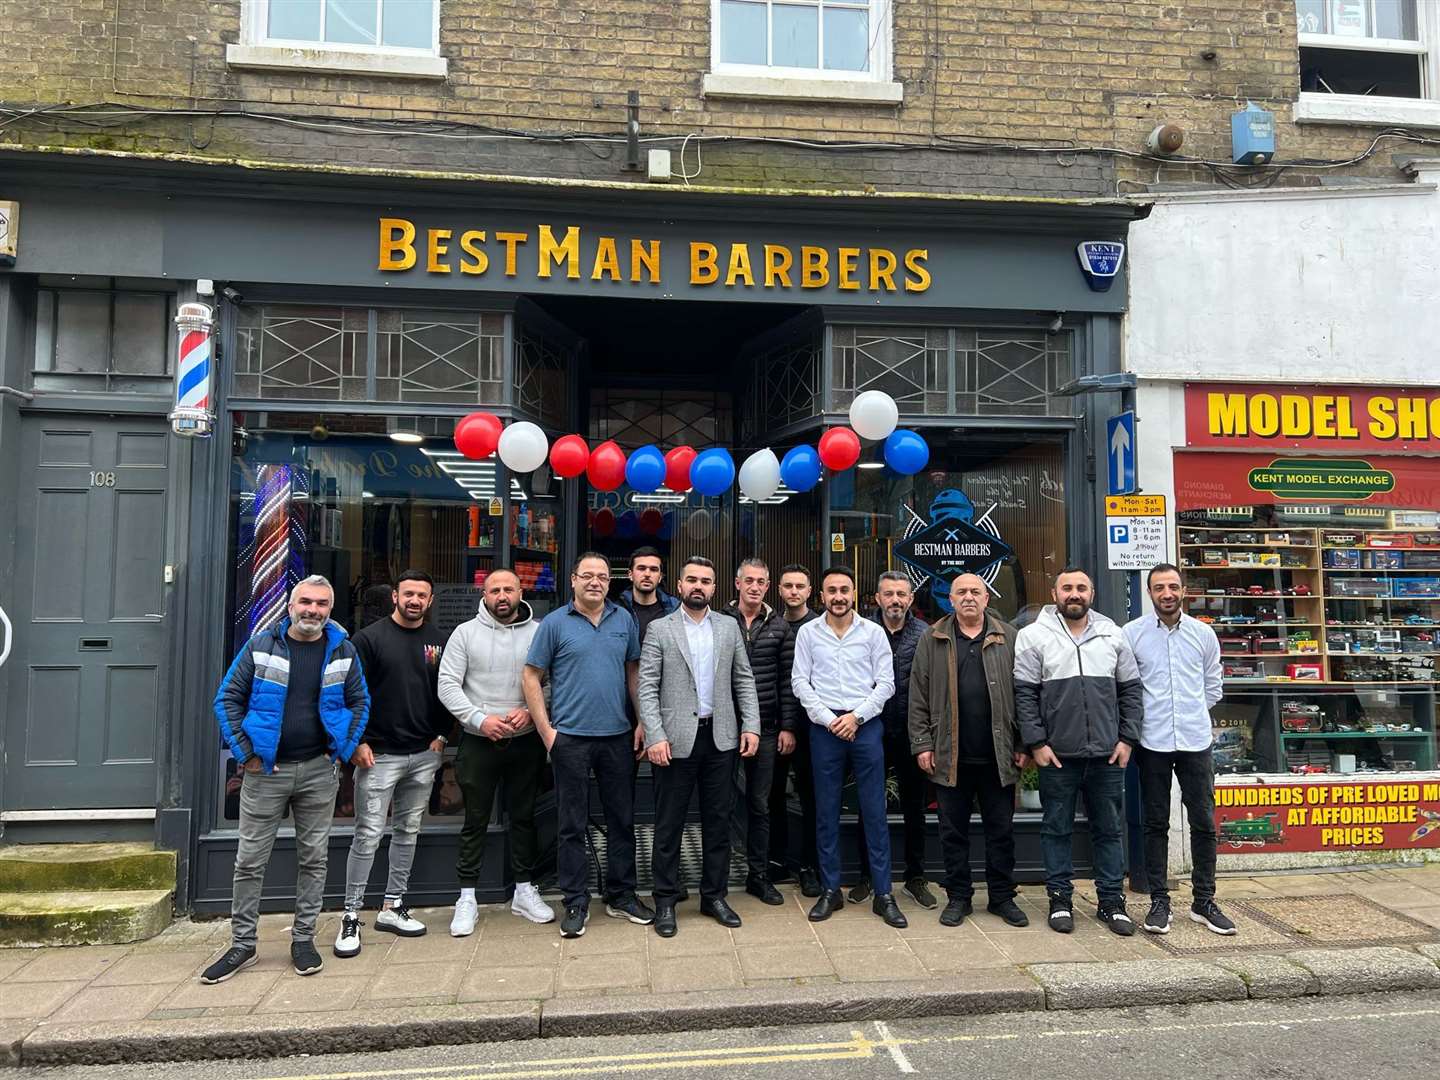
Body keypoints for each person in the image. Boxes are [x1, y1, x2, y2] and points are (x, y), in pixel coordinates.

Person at [203, 575, 369, 984]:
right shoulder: (261, 646)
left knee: (314, 859)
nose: (313, 610)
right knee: (249, 862)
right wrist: (246, 753)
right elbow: (227, 698)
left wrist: (342, 750)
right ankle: (242, 945)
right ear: (291, 606)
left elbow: (360, 700)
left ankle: (303, 939)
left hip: (318, 770)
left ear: (331, 609)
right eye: (306, 602)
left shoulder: (343, 650)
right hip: (266, 774)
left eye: (322, 604)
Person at [525, 552, 655, 938]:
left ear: (609, 582)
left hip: (617, 737)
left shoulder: (624, 620)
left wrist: (641, 721)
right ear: (573, 580)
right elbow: (531, 677)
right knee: (571, 824)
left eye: (602, 576)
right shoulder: (554, 624)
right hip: (571, 739)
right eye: (587, 575)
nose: (595, 582)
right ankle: (576, 901)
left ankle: (621, 896)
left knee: (622, 821)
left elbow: (633, 672)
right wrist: (548, 733)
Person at [1015, 566, 1143, 937]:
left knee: (1108, 830)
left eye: (1081, 588)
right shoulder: (1033, 636)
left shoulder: (1113, 634)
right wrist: (1036, 743)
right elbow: (1024, 695)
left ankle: (1111, 902)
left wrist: (1127, 739)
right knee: (1056, 829)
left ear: (1092, 594)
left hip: (1107, 753)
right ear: (1054, 593)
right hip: (1058, 755)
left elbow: (1131, 690)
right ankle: (1059, 900)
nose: (1074, 594)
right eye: (1067, 588)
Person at [639, 557, 761, 937]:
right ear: (678, 585)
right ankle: (665, 900)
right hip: (674, 741)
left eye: (705, 581)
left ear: (714, 588)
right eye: (691, 579)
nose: (698, 586)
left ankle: (714, 896)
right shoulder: (660, 629)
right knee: (669, 824)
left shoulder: (727, 628)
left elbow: (743, 679)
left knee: (719, 822)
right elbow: (646, 687)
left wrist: (751, 725)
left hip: (720, 738)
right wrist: (656, 734)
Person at [334, 570, 450, 959]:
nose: (415, 600)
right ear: (395, 597)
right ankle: (350, 914)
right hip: (378, 754)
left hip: (423, 754)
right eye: (409, 594)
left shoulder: (438, 641)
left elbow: (447, 692)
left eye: (422, 595)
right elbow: (349, 694)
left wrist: (442, 736)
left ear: (430, 601)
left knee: (408, 830)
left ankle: (392, 906)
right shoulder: (368, 640)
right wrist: (356, 742)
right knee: (367, 834)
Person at [437, 568, 554, 937]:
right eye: (494, 590)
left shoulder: (540, 633)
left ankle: (523, 890)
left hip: (525, 741)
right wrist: (479, 719)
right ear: (483, 594)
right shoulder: (465, 634)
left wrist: (532, 711)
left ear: (521, 592)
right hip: (479, 740)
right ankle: (467, 897)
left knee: (523, 817)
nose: (502, 596)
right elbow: (447, 685)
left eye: (508, 589)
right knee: (474, 820)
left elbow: (555, 683)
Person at [909, 573, 1029, 928]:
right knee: (952, 832)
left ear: (987, 598)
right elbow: (917, 696)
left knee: (1001, 831)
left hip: (998, 753)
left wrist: (1023, 743)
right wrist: (922, 744)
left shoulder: (1009, 637)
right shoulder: (934, 637)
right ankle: (959, 897)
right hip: (949, 755)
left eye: (975, 591)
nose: (968, 598)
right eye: (961, 592)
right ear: (951, 599)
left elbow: (1025, 693)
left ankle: (1002, 897)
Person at [1124, 563, 1235, 936]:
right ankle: (1160, 902)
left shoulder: (1203, 634)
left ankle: (1204, 901)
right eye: (1159, 588)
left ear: (1183, 590)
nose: (1166, 593)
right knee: (1155, 823)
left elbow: (1213, 684)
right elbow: (1127, 688)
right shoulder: (1132, 635)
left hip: (1195, 740)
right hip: (1152, 742)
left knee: (1203, 822)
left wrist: (1189, 712)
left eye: (1173, 586)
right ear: (1150, 593)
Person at [791, 566, 905, 928]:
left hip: (866, 726)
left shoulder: (872, 633)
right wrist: (829, 719)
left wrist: (855, 718)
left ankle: (883, 893)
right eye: (831, 591)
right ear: (821, 596)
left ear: (855, 593)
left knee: (873, 811)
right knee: (826, 812)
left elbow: (886, 683)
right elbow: (800, 681)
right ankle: (831, 890)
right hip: (824, 729)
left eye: (844, 590)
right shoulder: (808, 633)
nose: (838, 596)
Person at [853, 572, 934, 910]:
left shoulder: (926, 635)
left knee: (915, 807)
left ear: (911, 599)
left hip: (912, 732)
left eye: (902, 594)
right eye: (889, 594)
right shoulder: (862, 632)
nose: (895, 600)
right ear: (877, 598)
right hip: (872, 728)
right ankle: (867, 875)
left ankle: (915, 877)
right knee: (868, 805)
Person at [722, 557, 797, 906]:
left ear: (768, 587)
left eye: (761, 582)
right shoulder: (718, 622)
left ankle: (759, 876)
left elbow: (788, 681)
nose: (754, 586)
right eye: (748, 580)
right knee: (719, 805)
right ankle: (717, 878)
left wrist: (787, 726)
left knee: (760, 805)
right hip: (722, 728)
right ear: (737, 584)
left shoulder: (780, 627)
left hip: (767, 728)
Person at [774, 564, 821, 897]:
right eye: (787, 586)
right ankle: (775, 863)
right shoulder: (770, 625)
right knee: (772, 798)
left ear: (809, 591)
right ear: (779, 590)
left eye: (799, 586)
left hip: (812, 728)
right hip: (773, 727)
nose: (793, 591)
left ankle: (809, 866)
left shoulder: (819, 627)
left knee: (811, 800)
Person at [618, 546, 679, 644]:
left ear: (660, 577)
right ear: (630, 575)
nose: (647, 574)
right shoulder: (617, 610)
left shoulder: (675, 610)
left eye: (653, 569)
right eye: (641, 568)